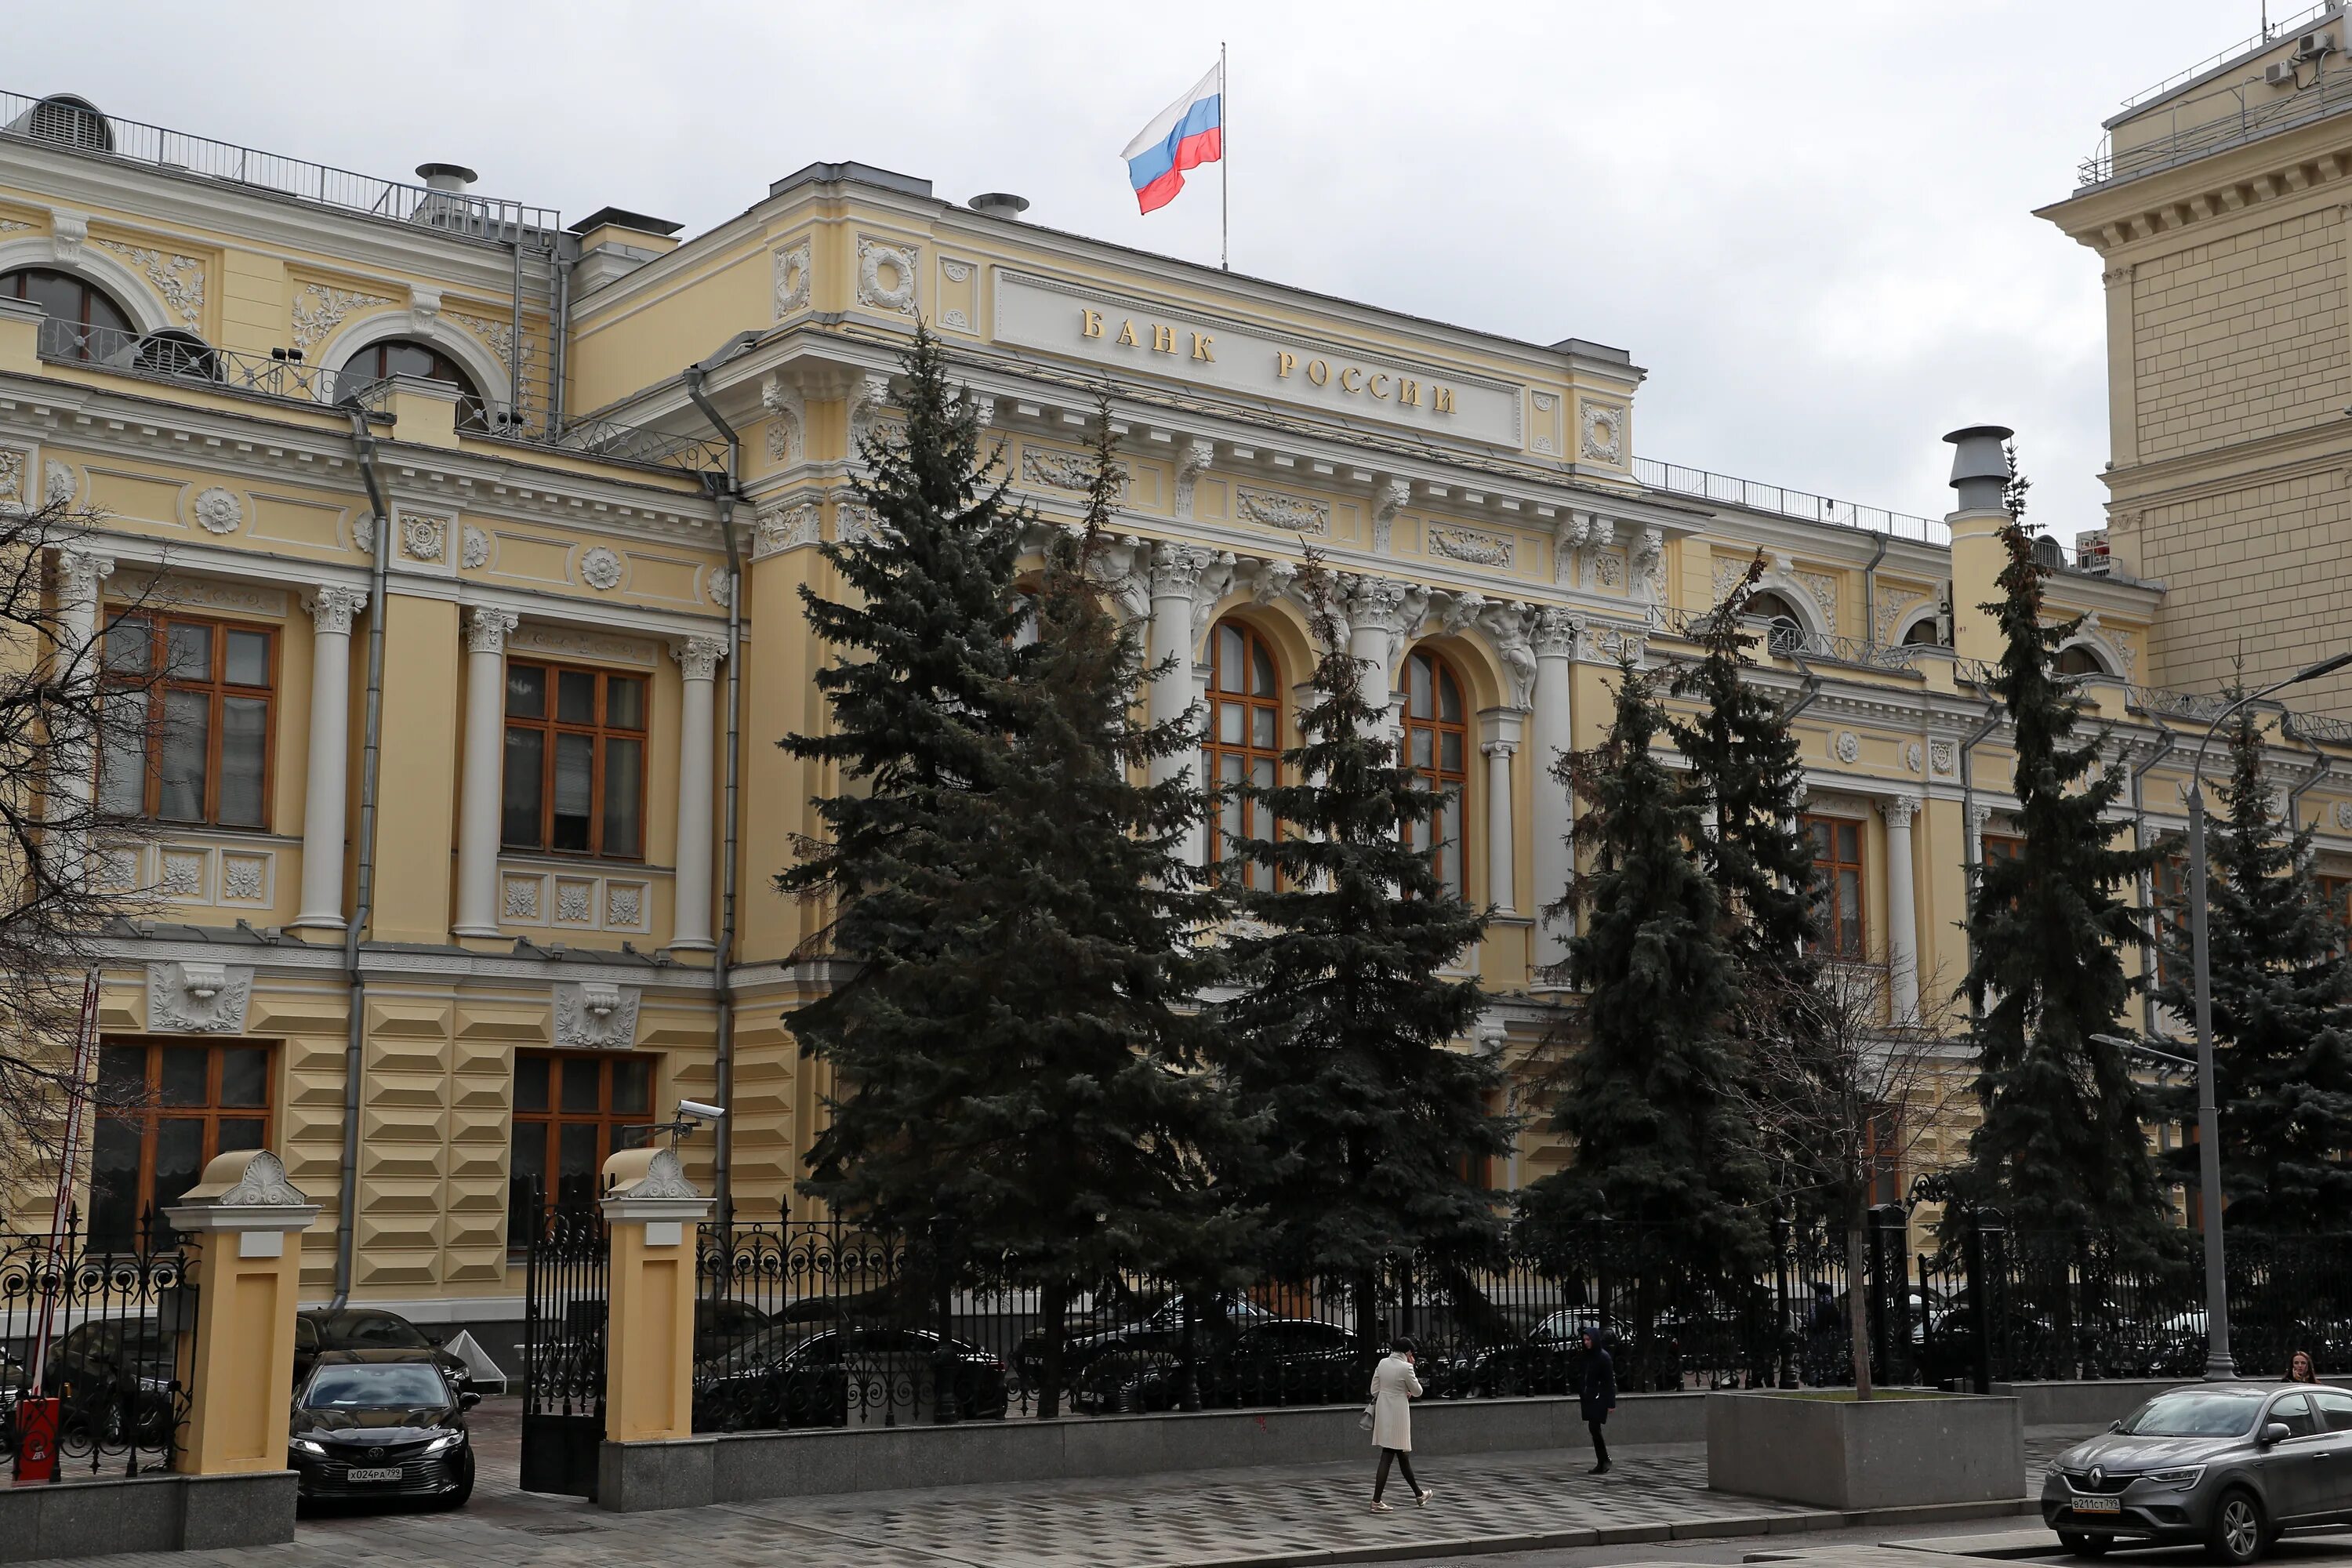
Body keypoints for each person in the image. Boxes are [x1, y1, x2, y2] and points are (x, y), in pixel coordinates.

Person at [1369, 1336, 1430, 1512]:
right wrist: (1405, 1388)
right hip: (1398, 1413)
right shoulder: (1406, 1368)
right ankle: (1376, 1501)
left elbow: (1374, 1389)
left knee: (1400, 1454)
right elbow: (1418, 1391)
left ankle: (1419, 1495)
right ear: (1408, 1352)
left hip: (1384, 1411)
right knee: (1389, 1454)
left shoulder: (1382, 1363)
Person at [1580, 1327, 1617, 1475]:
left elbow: (1609, 1381)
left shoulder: (1603, 1357)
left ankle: (1604, 1459)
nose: (1586, 1343)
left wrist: (1611, 1403)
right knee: (1593, 1428)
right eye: (1584, 1340)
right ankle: (1602, 1461)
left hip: (1600, 1397)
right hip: (1590, 1396)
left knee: (1594, 1427)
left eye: (1588, 1340)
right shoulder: (1588, 1356)